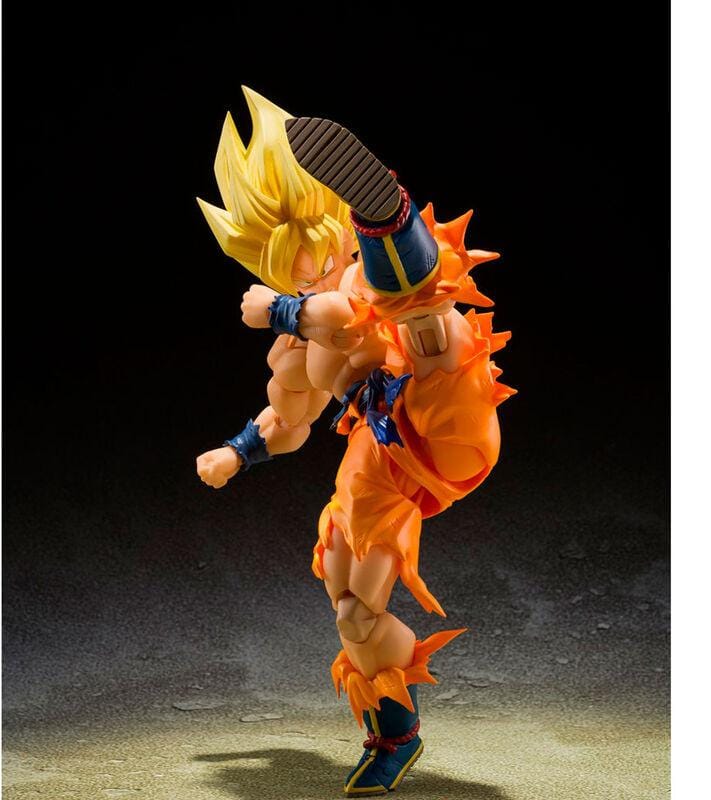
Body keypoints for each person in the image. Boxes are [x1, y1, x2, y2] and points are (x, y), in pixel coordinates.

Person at [197, 87, 514, 795]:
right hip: (386, 455)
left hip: (442, 407)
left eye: (315, 252)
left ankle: (390, 218)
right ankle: (396, 735)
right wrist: (237, 451)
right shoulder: (294, 346)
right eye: (286, 268)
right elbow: (289, 420)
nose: (306, 272)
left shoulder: (347, 284)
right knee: (353, 612)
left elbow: (341, 315)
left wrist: (284, 307)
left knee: (423, 314)